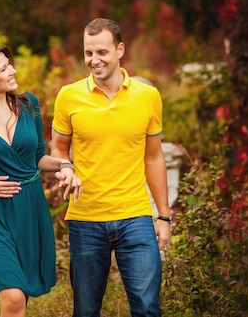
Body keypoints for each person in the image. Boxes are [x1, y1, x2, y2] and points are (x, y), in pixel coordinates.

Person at [0, 45, 82, 317]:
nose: (13, 70)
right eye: (4, 68)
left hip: (31, 212)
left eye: (10, 65)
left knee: (21, 298)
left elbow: (38, 159)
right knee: (12, 299)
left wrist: (66, 164)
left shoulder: (28, 104)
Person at [51, 18, 171, 317]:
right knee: (86, 310)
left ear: (120, 50)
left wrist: (164, 216)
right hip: (85, 218)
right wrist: (66, 168)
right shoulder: (69, 96)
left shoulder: (148, 96)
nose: (94, 60)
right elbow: (59, 149)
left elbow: (154, 157)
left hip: (136, 217)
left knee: (147, 308)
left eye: (102, 52)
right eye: (88, 53)